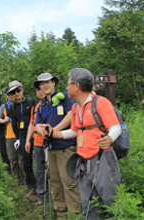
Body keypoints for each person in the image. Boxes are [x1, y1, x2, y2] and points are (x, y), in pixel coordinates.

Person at [47, 68, 121, 219]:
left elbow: (116, 127)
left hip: (102, 159)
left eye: (68, 84)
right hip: (83, 162)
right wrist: (54, 133)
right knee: (88, 204)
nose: (66, 88)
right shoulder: (76, 108)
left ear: (77, 86)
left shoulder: (100, 103)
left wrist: (110, 138)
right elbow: (75, 131)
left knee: (110, 202)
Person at [34, 73, 81, 219]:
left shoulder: (65, 97)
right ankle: (61, 215)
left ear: (53, 82)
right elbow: (37, 125)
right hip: (51, 149)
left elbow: (71, 115)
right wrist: (43, 131)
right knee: (55, 184)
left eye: (47, 82)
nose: (45, 86)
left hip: (66, 147)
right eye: (42, 84)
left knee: (69, 183)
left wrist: (55, 130)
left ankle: (75, 215)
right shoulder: (42, 106)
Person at [6, 80, 37, 196]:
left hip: (36, 134)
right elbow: (14, 124)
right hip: (23, 136)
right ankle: (31, 186)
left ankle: (45, 185)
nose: (16, 93)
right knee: (26, 161)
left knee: (40, 161)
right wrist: (18, 138)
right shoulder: (12, 107)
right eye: (14, 92)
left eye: (18, 90)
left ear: (22, 89)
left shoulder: (32, 102)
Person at [25, 87, 46, 205]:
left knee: (52, 170)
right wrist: (28, 140)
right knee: (39, 169)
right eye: (38, 90)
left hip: (51, 142)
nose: (40, 92)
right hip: (37, 142)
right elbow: (31, 124)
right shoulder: (35, 107)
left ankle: (55, 195)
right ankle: (41, 195)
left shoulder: (54, 103)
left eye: (42, 89)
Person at [0, 86, 23, 180]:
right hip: (9, 135)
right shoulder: (4, 106)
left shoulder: (20, 104)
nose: (11, 96)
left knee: (23, 158)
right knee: (13, 158)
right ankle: (16, 178)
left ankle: (25, 178)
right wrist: (4, 120)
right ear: (6, 95)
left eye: (12, 93)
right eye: (9, 94)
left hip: (21, 135)